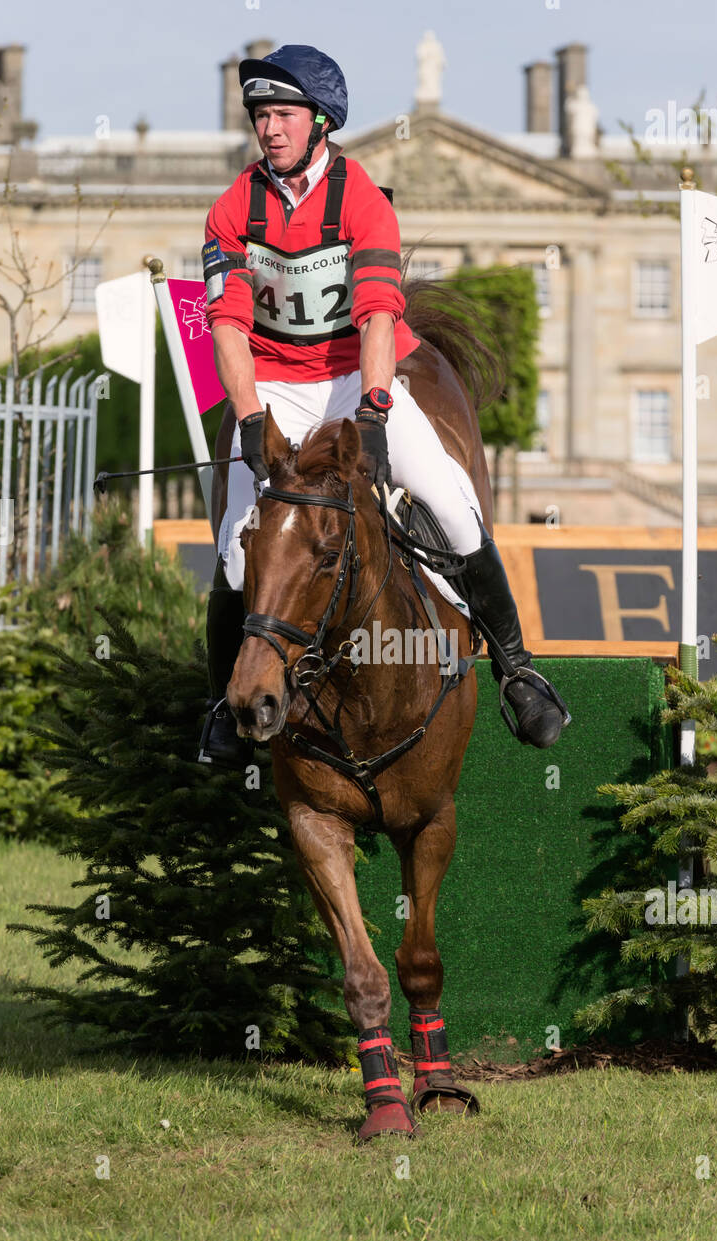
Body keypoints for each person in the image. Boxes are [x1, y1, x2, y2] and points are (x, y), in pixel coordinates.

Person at [198, 43, 570, 767]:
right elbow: (228, 327)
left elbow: (374, 318)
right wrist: (248, 418)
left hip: (353, 372)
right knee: (237, 548)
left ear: (321, 122)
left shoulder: (362, 201)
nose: (269, 128)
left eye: (283, 114)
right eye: (260, 115)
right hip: (273, 382)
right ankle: (222, 703)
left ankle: (518, 668)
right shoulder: (231, 209)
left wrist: (371, 412)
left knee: (451, 502)